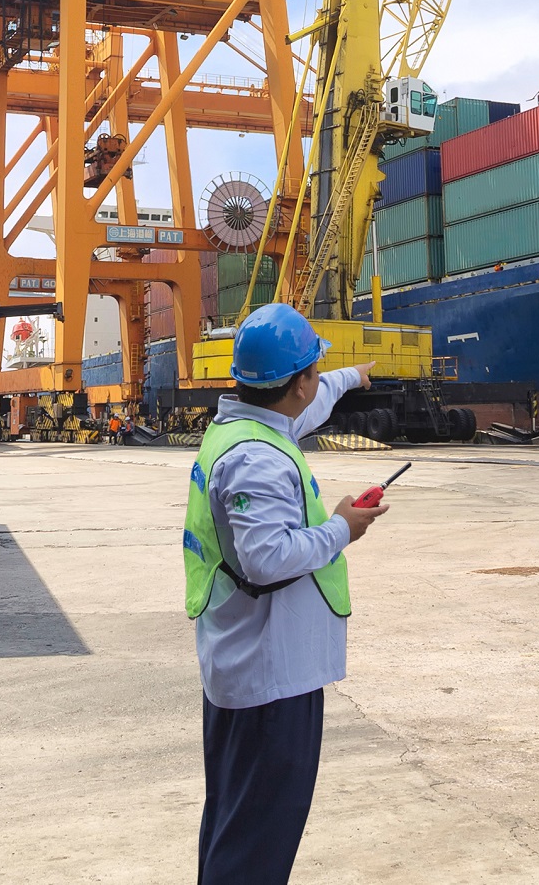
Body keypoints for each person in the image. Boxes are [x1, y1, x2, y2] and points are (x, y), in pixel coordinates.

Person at [182, 302, 388, 884]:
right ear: (297, 383)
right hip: (270, 678)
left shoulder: (245, 426)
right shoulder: (257, 459)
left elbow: (311, 406)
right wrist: (342, 527)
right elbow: (266, 558)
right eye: (315, 371)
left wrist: (350, 378)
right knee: (256, 844)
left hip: (244, 664)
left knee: (236, 825)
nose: (318, 382)